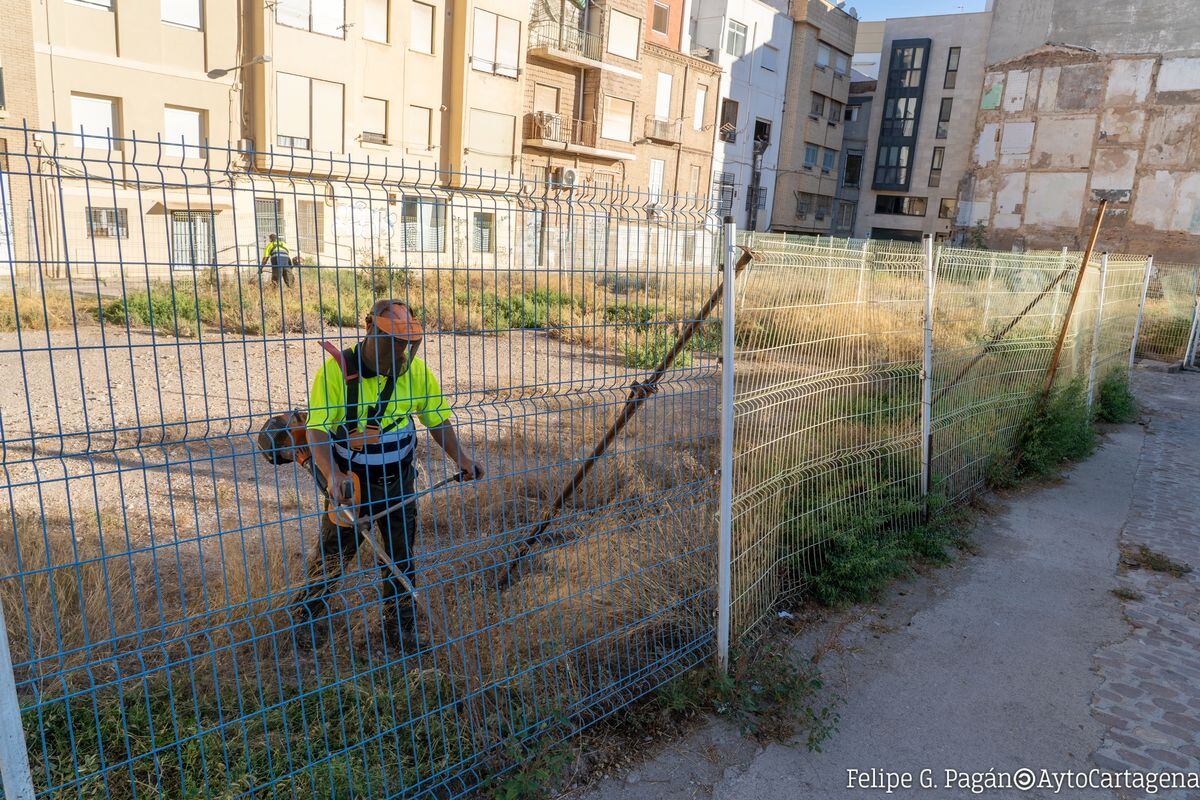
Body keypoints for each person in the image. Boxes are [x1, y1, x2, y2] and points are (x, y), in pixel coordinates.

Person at [292, 299, 483, 652]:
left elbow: (436, 418)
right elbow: (317, 430)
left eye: (407, 344)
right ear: (369, 330)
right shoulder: (336, 372)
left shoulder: (415, 372)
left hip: (400, 483)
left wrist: (462, 458)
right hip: (353, 485)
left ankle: (399, 629)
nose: (401, 353)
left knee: (400, 558)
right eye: (393, 343)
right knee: (334, 555)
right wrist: (333, 476)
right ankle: (307, 619)